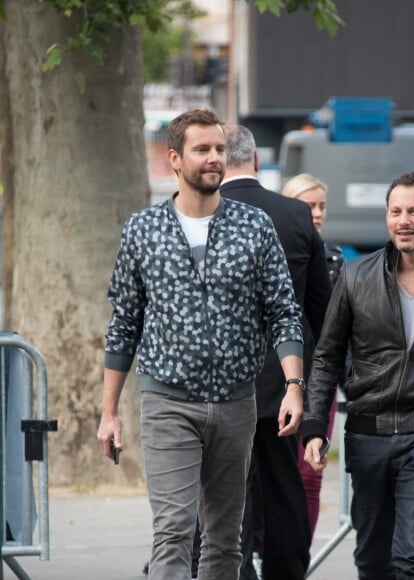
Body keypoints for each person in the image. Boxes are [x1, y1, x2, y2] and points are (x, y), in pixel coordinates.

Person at [97, 108, 306, 580]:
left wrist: (294, 384)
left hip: (236, 403)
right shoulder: (143, 230)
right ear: (175, 158)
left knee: (225, 538)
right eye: (202, 150)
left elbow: (283, 311)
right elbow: (124, 323)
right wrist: (109, 412)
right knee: (173, 529)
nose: (215, 158)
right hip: (167, 402)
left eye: (219, 149)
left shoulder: (253, 227)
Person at [302, 170, 414, 579]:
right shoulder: (354, 277)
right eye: (396, 211)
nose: (404, 220)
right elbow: (327, 356)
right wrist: (315, 425)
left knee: (412, 560)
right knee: (373, 560)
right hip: (368, 433)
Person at [194, 125, 331, 580]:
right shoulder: (295, 215)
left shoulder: (203, 212)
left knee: (225, 488)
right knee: (283, 485)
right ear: (255, 160)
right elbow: (319, 306)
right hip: (283, 379)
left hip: (219, 380)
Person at [281, 173, 344, 535]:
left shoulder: (334, 258)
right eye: (308, 206)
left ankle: (297, 559)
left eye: (321, 206)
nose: (316, 214)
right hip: (280, 378)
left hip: (321, 379)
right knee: (274, 472)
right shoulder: (277, 255)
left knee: (310, 474)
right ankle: (263, 555)